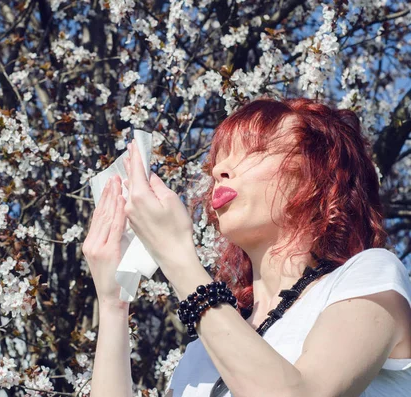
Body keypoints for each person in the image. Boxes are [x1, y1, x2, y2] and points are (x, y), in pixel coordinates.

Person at [81, 97, 411, 397]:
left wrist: (175, 254)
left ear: (320, 175)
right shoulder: (207, 345)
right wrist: (113, 304)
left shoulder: (369, 277)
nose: (220, 170)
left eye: (254, 151)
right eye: (218, 161)